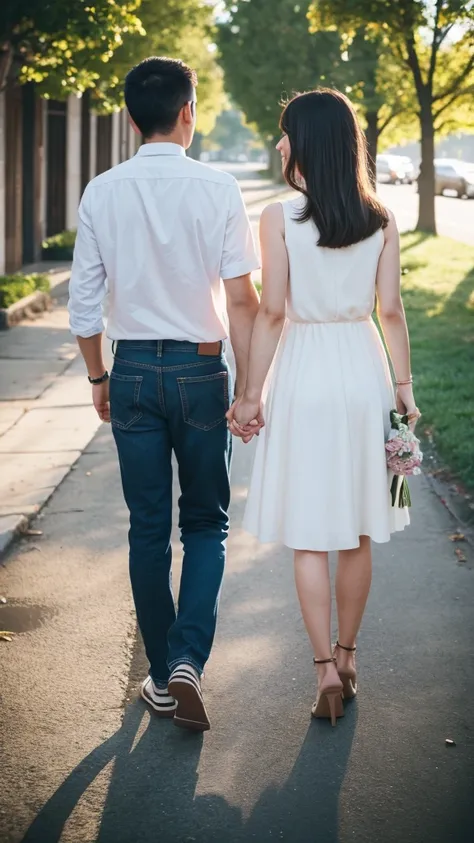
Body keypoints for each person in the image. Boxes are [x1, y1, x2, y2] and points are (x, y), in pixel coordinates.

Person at [68, 57, 260, 732]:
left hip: (130, 375)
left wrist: (99, 378)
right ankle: (186, 663)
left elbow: (84, 309)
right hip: (202, 371)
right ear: (189, 111)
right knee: (205, 522)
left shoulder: (102, 191)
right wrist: (248, 388)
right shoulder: (218, 188)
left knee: (148, 527)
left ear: (128, 118)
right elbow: (242, 299)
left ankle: (159, 673)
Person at [227, 89, 420, 727]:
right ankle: (349, 654)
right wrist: (405, 389)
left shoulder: (281, 218)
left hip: (305, 369)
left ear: (308, 142)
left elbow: (274, 311)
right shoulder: (383, 218)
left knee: (310, 533)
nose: (280, 144)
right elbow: (390, 313)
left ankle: (322, 671)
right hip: (362, 370)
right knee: (359, 528)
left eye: (285, 134)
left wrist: (251, 393)